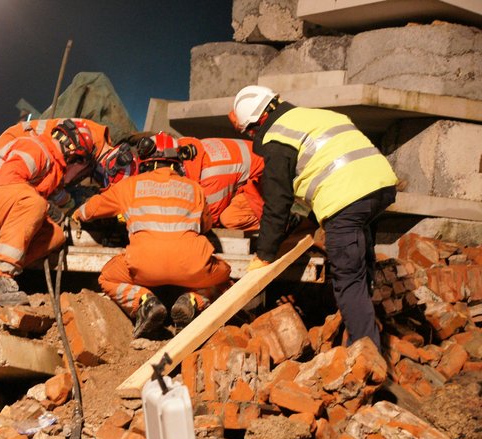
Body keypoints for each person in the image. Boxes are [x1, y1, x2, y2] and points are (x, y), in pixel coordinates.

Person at [229, 85, 398, 351]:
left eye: (250, 131)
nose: (253, 136)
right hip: (380, 187)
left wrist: (265, 254)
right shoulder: (315, 117)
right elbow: (327, 166)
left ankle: (365, 355)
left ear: (258, 122)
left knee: (348, 278)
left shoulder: (277, 139)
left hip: (347, 200)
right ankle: (364, 330)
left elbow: (277, 203)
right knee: (361, 264)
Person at [72, 132, 231, 338]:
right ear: (177, 162)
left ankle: (145, 302)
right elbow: (206, 225)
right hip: (192, 266)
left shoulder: (129, 186)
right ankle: (193, 301)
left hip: (143, 266)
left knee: (107, 277)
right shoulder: (195, 188)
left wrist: (76, 213)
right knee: (224, 277)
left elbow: (91, 210)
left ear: (145, 160)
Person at [0, 119, 95, 306]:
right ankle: (0, 279)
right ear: (73, 154)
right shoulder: (36, 148)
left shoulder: (53, 168)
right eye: (82, 164)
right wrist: (47, 207)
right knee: (34, 203)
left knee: (54, 235)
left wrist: (80, 205)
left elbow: (61, 198)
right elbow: (9, 180)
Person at [177, 136, 265, 231]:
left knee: (230, 218)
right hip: (265, 170)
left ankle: (273, 225)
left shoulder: (210, 176)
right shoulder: (195, 150)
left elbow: (211, 220)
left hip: (268, 182)